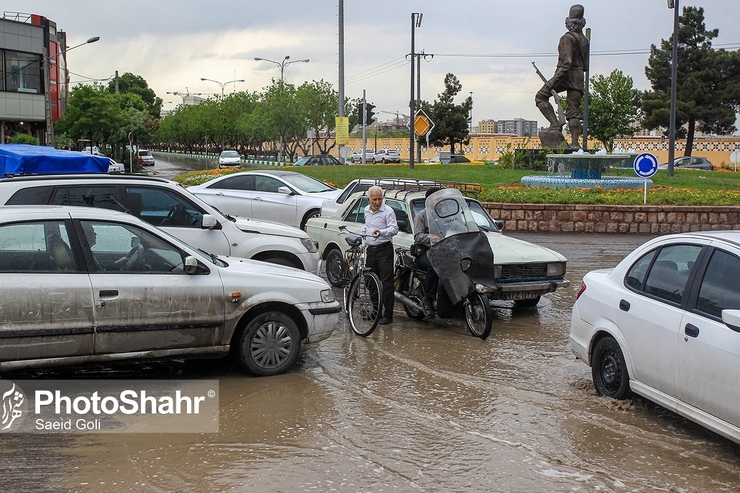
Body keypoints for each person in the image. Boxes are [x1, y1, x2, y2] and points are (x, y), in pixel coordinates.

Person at [535, 4, 590, 148]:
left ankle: (555, 125)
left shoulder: (566, 38)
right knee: (573, 111)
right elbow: (586, 66)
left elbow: (566, 63)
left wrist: (553, 81)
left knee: (540, 96)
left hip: (564, 76)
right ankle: (575, 143)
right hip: (578, 78)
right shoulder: (585, 41)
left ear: (568, 22)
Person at [360, 186, 398, 325]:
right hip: (371, 250)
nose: (377, 202)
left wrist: (381, 232)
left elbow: (394, 229)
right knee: (371, 282)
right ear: (369, 199)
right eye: (374, 199)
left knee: (386, 283)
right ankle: (376, 312)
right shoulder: (366, 210)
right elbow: (367, 226)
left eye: (380, 199)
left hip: (384, 250)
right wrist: (362, 234)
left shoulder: (388, 211)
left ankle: (388, 315)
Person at [413, 187, 443, 319]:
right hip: (425, 251)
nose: (441, 201)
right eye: (438, 199)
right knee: (434, 265)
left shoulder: (445, 214)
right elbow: (417, 236)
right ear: (430, 201)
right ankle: (428, 299)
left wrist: (468, 226)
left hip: (442, 250)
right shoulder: (421, 216)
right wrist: (430, 237)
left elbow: (455, 225)